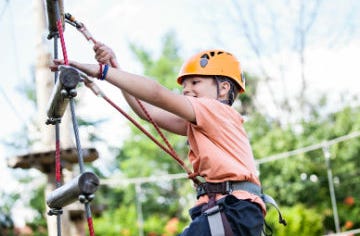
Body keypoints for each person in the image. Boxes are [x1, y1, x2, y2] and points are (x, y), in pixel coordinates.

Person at [51, 43, 266, 235]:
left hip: (234, 208)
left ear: (224, 88)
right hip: (230, 209)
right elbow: (147, 112)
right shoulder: (203, 121)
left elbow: (156, 94)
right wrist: (115, 69)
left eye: (196, 82)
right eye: (185, 85)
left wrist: (102, 71)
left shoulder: (215, 110)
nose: (187, 90)